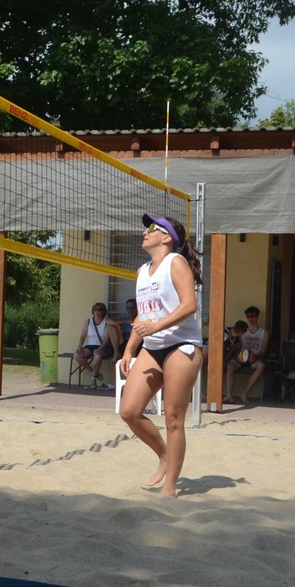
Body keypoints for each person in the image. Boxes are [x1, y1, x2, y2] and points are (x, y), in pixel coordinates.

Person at [118, 213, 204, 497]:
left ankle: (170, 487)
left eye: (151, 228)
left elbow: (189, 305)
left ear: (167, 238)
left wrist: (155, 327)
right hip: (152, 346)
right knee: (129, 411)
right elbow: (144, 314)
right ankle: (165, 455)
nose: (145, 232)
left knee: (173, 418)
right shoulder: (143, 270)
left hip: (182, 345)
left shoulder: (175, 262)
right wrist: (129, 348)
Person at [224, 307, 269, 403]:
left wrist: (252, 355)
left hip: (255, 357)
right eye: (248, 316)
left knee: (261, 366)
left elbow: (263, 351)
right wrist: (235, 351)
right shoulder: (243, 331)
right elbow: (238, 346)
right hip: (241, 357)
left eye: (253, 316)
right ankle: (229, 395)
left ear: (257, 317)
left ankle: (244, 394)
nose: (250, 319)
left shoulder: (263, 332)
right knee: (230, 366)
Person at [72, 302, 119, 390]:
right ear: (93, 311)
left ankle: (92, 381)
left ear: (103, 311)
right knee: (77, 355)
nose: (97, 311)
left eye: (100, 309)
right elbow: (83, 336)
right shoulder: (88, 321)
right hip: (90, 345)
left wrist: (100, 348)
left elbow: (107, 338)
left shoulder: (106, 321)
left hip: (103, 346)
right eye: (95, 309)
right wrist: (80, 345)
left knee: (97, 356)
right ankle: (95, 373)